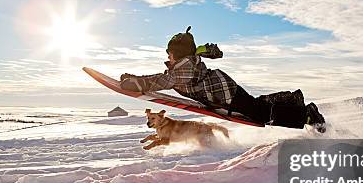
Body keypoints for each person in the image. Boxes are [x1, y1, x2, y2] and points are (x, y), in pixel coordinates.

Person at [120, 26, 326, 132]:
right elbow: (174, 70)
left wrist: (138, 83)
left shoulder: (183, 69)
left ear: (177, 54)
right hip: (224, 89)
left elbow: (162, 82)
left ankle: (307, 115)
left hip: (225, 95)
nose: (167, 56)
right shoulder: (186, 63)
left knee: (262, 115)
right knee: (255, 105)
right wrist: (135, 78)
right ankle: (291, 99)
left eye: (169, 52)